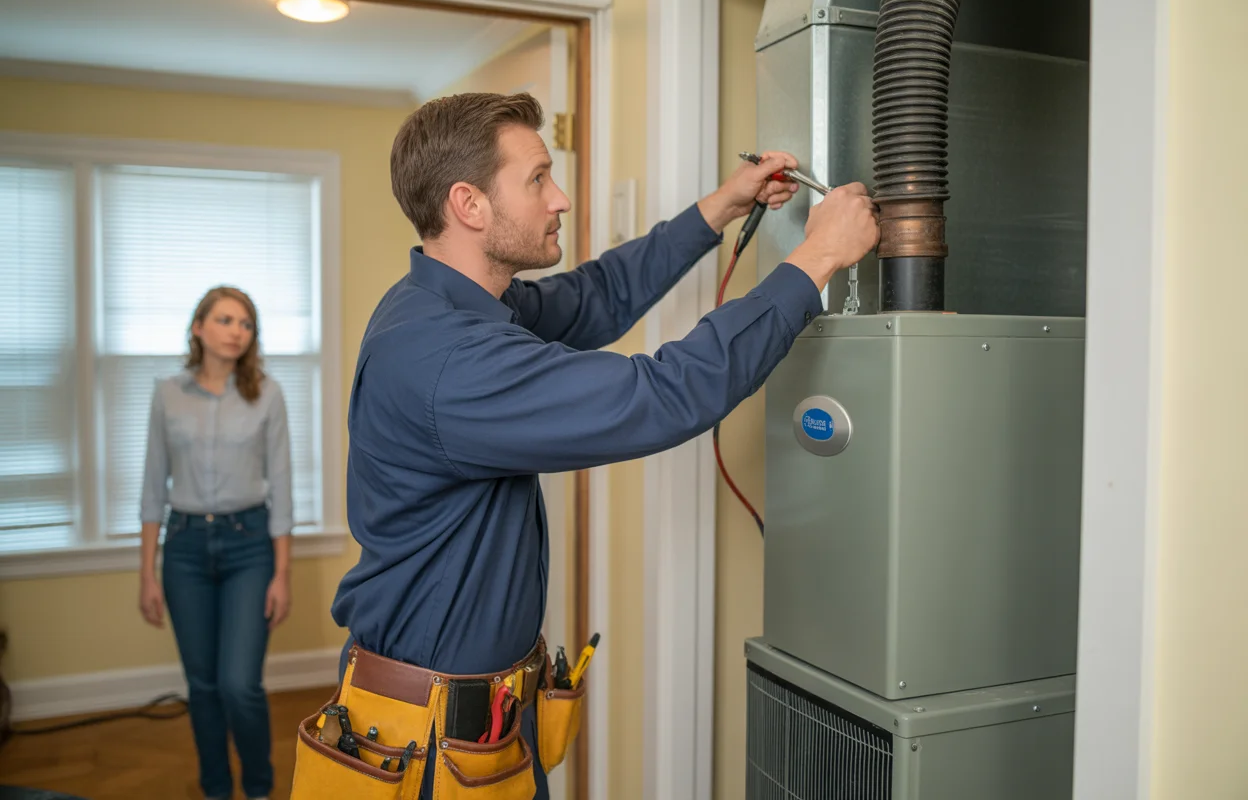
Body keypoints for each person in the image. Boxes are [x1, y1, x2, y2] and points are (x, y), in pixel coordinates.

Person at [313, 92, 877, 800]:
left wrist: (722, 205)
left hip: (476, 724)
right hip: (427, 748)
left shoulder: (455, 303)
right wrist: (816, 257)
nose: (562, 198)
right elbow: (663, 394)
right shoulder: (447, 359)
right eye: (538, 178)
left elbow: (596, 296)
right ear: (469, 204)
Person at [138, 285, 293, 800]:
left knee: (239, 685)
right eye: (225, 320)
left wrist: (281, 574)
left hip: (250, 546)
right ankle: (216, 789)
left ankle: (259, 789)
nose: (236, 331)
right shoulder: (167, 394)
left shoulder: (267, 394)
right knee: (202, 687)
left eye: (246, 323)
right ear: (199, 327)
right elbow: (151, 487)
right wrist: (147, 574)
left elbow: (283, 488)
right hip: (183, 549)